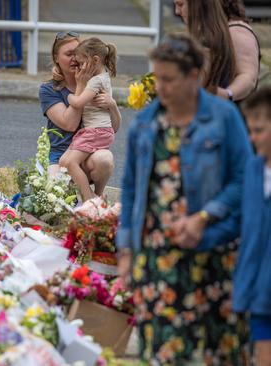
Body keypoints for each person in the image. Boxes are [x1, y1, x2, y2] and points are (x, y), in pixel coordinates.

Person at [117, 34, 252, 364]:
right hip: (158, 258)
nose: (160, 87)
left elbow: (243, 179)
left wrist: (204, 217)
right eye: (157, 77)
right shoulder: (146, 125)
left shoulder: (223, 117)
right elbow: (132, 189)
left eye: (169, 79)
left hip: (213, 254)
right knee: (163, 349)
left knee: (219, 351)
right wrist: (127, 250)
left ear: (194, 76)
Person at [39, 31, 120, 195]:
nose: (75, 59)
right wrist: (80, 84)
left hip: (89, 156)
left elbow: (113, 127)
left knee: (105, 158)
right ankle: (90, 199)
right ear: (56, 58)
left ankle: (96, 195)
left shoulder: (95, 83)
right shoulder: (49, 89)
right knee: (54, 201)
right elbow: (70, 124)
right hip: (62, 157)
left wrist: (113, 106)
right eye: (69, 54)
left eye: (77, 53)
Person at [234, 87, 271, 366]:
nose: (252, 138)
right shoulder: (253, 169)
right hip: (257, 294)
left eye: (259, 130)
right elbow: (239, 222)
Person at [59, 37, 117, 201]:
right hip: (95, 131)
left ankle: (89, 201)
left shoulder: (95, 82)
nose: (79, 67)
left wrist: (69, 95)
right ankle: (96, 199)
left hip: (96, 131)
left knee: (71, 164)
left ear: (95, 60)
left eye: (82, 63)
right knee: (64, 161)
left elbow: (78, 103)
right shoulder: (104, 76)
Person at [173, 0, 237, 94]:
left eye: (180, 4)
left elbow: (196, 90)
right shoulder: (216, 35)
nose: (177, 11)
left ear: (198, 5)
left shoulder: (206, 43)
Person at [220, 0, 261, 102]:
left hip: (235, 113)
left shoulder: (235, 31)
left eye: (181, 5)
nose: (177, 11)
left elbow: (247, 76)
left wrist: (227, 94)